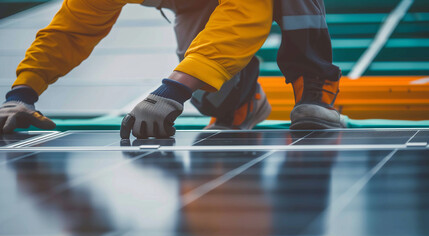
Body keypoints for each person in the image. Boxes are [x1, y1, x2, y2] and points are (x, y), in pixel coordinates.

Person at [0, 0, 343, 139]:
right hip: (191, 5)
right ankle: (244, 100)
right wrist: (23, 93)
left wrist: (175, 87)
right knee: (214, 97)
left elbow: (245, 14)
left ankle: (314, 86)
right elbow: (71, 31)